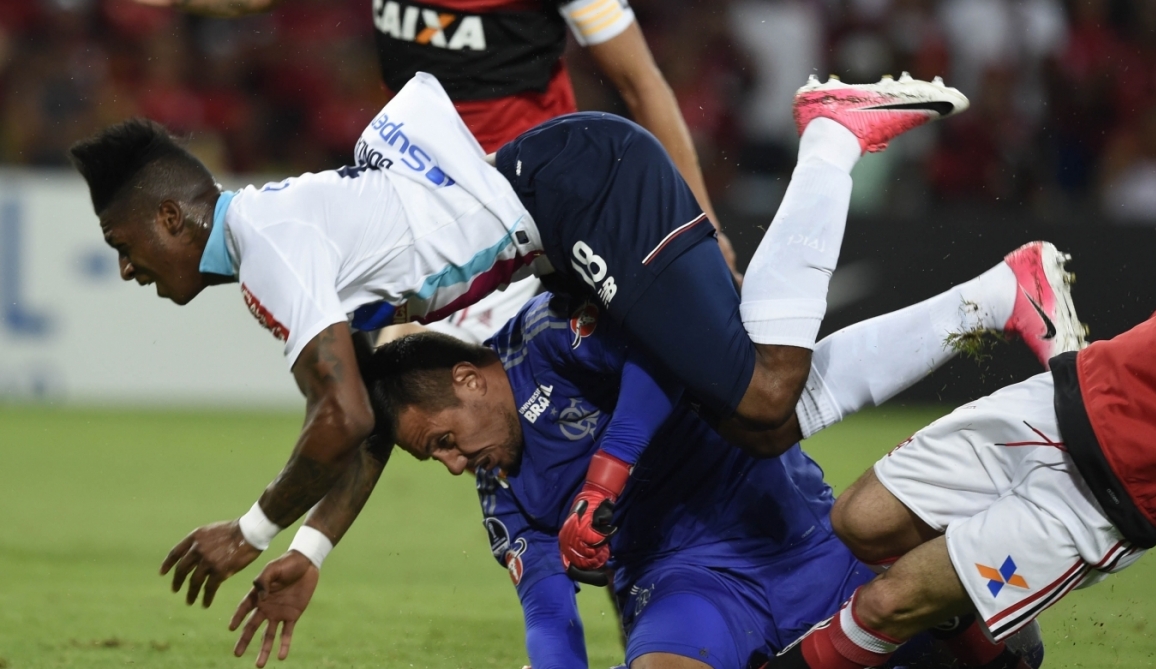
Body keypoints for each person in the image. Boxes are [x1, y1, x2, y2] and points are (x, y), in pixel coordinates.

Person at [65, 71, 1001, 610]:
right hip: (558, 210)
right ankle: (1000, 295)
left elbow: (341, 412)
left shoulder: (269, 243)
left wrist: (253, 529)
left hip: (580, 189)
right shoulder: (273, 238)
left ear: (174, 217)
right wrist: (313, 548)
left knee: (764, 395)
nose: (127, 268)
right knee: (756, 420)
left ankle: (832, 138)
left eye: (126, 245)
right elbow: (372, 414)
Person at [229, 281, 1054, 669]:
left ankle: (983, 615)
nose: (451, 464)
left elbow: (664, 358)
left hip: (789, 529)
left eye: (444, 439)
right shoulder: (505, 499)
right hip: (683, 585)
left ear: (474, 378)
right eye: (433, 458)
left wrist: (607, 477)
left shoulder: (553, 339)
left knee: (975, 633)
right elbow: (548, 610)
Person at [760, 274, 1156, 669]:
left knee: (887, 605)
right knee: (861, 520)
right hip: (1076, 387)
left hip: (1114, 490)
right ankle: (994, 652)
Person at [133, 0, 743, 283]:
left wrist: (704, 226)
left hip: (531, 210)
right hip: (421, 195)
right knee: (391, 383)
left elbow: (642, 84)